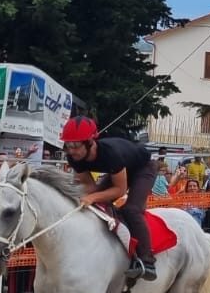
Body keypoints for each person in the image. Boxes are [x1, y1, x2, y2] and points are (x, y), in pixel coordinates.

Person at [60, 116, 158, 281]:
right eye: (68, 146)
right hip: (120, 170)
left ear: (90, 142)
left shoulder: (110, 154)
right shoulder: (73, 157)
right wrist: (77, 196)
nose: (72, 151)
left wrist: (92, 197)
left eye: (76, 146)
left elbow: (119, 190)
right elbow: (89, 187)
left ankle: (147, 262)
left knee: (131, 209)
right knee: (94, 202)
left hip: (143, 169)